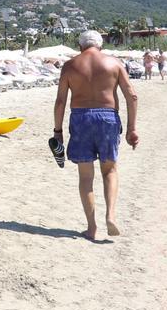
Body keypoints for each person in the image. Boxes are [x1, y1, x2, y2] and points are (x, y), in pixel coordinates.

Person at [53, 30, 139, 240]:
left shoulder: (70, 65)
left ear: (80, 46)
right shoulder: (114, 63)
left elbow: (61, 102)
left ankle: (92, 228)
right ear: (100, 45)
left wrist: (58, 131)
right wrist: (131, 129)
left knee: (85, 176)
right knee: (109, 170)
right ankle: (110, 216)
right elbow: (132, 96)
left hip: (80, 118)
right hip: (107, 117)